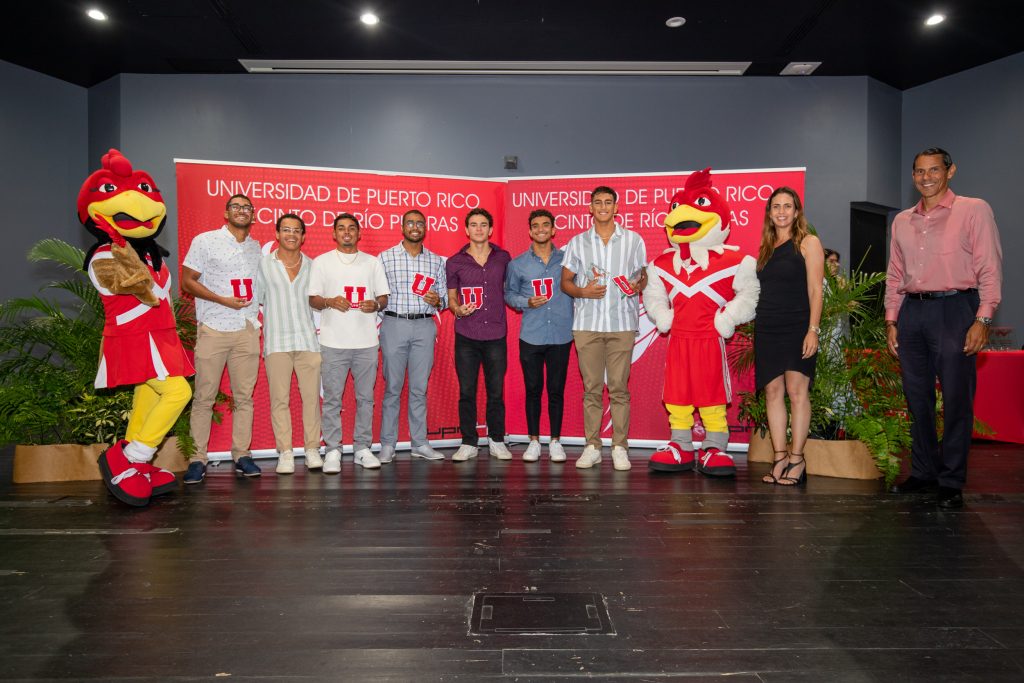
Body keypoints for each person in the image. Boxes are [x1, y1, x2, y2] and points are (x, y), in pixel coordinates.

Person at [886, 148, 1002, 510]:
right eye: (920, 171)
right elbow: (894, 273)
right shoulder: (902, 220)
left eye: (934, 170)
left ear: (950, 171)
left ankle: (951, 480)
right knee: (917, 399)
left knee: (956, 399)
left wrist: (982, 318)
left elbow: (989, 266)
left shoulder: (974, 209)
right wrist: (891, 319)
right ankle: (923, 472)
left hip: (956, 309)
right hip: (912, 314)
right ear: (913, 176)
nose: (926, 177)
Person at [560, 186, 647, 471]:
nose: (603, 207)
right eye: (597, 202)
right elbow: (566, 282)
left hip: (622, 323)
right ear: (590, 208)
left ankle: (620, 446)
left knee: (620, 388)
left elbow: (642, 276)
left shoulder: (633, 240)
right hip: (587, 325)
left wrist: (638, 283)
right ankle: (592, 445)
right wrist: (583, 292)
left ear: (616, 207)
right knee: (592, 389)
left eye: (608, 202)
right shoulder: (577, 242)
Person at [181, 193, 263, 484]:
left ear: (253, 215)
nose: (242, 211)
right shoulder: (205, 241)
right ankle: (197, 459)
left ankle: (242, 455)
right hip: (214, 328)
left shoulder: (256, 248)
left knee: (244, 398)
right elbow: (187, 281)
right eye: (236, 207)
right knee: (203, 397)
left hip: (245, 330)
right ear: (226, 213)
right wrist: (222, 300)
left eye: (247, 208)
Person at [308, 213, 390, 474]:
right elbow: (313, 299)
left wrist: (375, 305)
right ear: (334, 234)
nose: (346, 232)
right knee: (332, 399)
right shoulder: (321, 262)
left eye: (351, 228)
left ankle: (362, 449)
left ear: (358, 233)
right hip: (332, 342)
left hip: (366, 342)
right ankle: (333, 449)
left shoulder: (372, 262)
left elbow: (384, 298)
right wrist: (329, 301)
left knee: (365, 398)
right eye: (341, 228)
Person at [755, 187, 824, 487]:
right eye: (776, 207)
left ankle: (798, 459)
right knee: (772, 393)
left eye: (787, 206)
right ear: (769, 213)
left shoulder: (809, 243)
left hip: (798, 326)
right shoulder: (766, 247)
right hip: (767, 326)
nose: (781, 211)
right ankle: (779, 456)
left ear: (797, 212)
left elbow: (815, 291)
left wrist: (813, 330)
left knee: (797, 393)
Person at [377, 209, 448, 463]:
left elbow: (446, 298)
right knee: (392, 388)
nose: (415, 227)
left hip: (424, 325)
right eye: (410, 223)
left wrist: (438, 299)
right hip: (394, 323)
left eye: (419, 223)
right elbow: (377, 293)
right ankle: (387, 444)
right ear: (402, 227)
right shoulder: (385, 258)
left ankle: (419, 443)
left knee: (419, 389)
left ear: (425, 228)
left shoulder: (437, 261)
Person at [504, 208, 574, 463]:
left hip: (561, 335)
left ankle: (555, 440)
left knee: (556, 390)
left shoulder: (568, 260)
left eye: (546, 225)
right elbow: (509, 295)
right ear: (530, 231)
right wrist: (526, 301)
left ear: (553, 229)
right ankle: (534, 440)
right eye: (536, 225)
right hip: (531, 336)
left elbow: (577, 287)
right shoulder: (517, 264)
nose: (541, 229)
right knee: (533, 389)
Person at [255, 213, 322, 475]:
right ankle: (285, 452)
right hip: (276, 341)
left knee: (311, 401)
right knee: (279, 400)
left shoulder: (313, 265)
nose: (291, 234)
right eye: (286, 230)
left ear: (303, 236)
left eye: (296, 230)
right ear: (277, 234)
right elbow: (256, 299)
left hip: (308, 341)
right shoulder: (263, 265)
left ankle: (312, 449)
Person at [446, 208, 513, 462]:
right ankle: (468, 442)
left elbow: (511, 290)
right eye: (473, 224)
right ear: (466, 229)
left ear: (490, 229)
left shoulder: (504, 258)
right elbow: (452, 298)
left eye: (483, 224)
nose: (478, 229)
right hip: (467, 334)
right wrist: (457, 310)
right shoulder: (455, 261)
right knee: (467, 391)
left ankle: (496, 440)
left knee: (496, 391)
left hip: (496, 334)